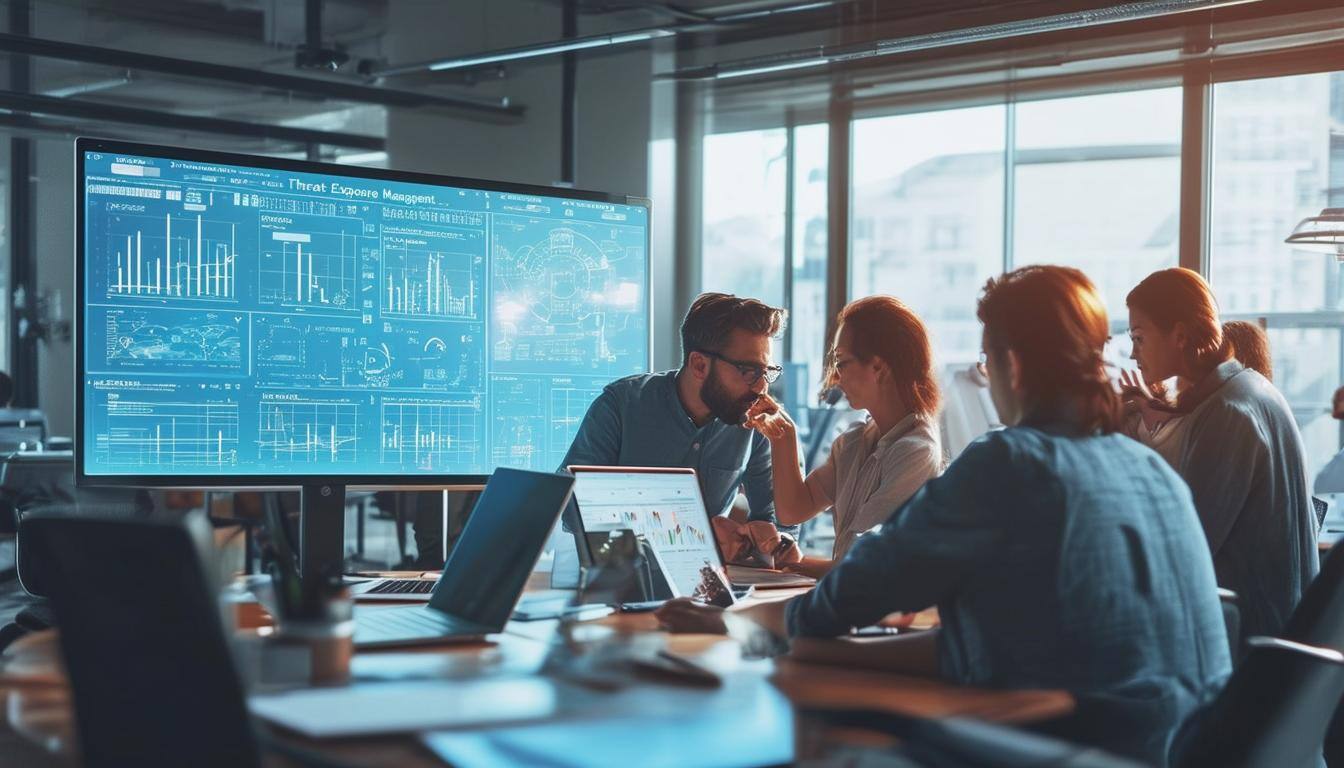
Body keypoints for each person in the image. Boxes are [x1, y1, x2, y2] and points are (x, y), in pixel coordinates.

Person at [657, 266, 1231, 766]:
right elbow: (999, 644)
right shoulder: (1149, 468)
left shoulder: (1011, 459)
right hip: (1179, 746)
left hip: (1085, 747)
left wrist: (741, 625)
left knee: (799, 726)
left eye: (987, 357)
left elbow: (855, 592)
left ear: (1011, 365)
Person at [1125, 267, 1315, 642]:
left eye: (1139, 337)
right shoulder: (1249, 388)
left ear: (1179, 335)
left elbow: (1185, 549)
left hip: (1246, 641)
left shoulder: (1227, 413)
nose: (1133, 354)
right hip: (1274, 627)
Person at [560, 292, 796, 557]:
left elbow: (780, 521)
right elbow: (570, 509)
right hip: (625, 575)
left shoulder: (753, 420)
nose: (762, 386)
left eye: (767, 372)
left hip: (709, 584)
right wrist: (690, 530)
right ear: (699, 365)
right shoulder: (621, 406)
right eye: (748, 371)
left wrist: (771, 541)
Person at [744, 296, 942, 576]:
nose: (835, 378)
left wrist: (792, 564)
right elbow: (792, 510)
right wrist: (783, 435)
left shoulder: (916, 452)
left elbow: (859, 567)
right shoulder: (854, 441)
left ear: (878, 368)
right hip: (848, 602)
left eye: (841, 363)